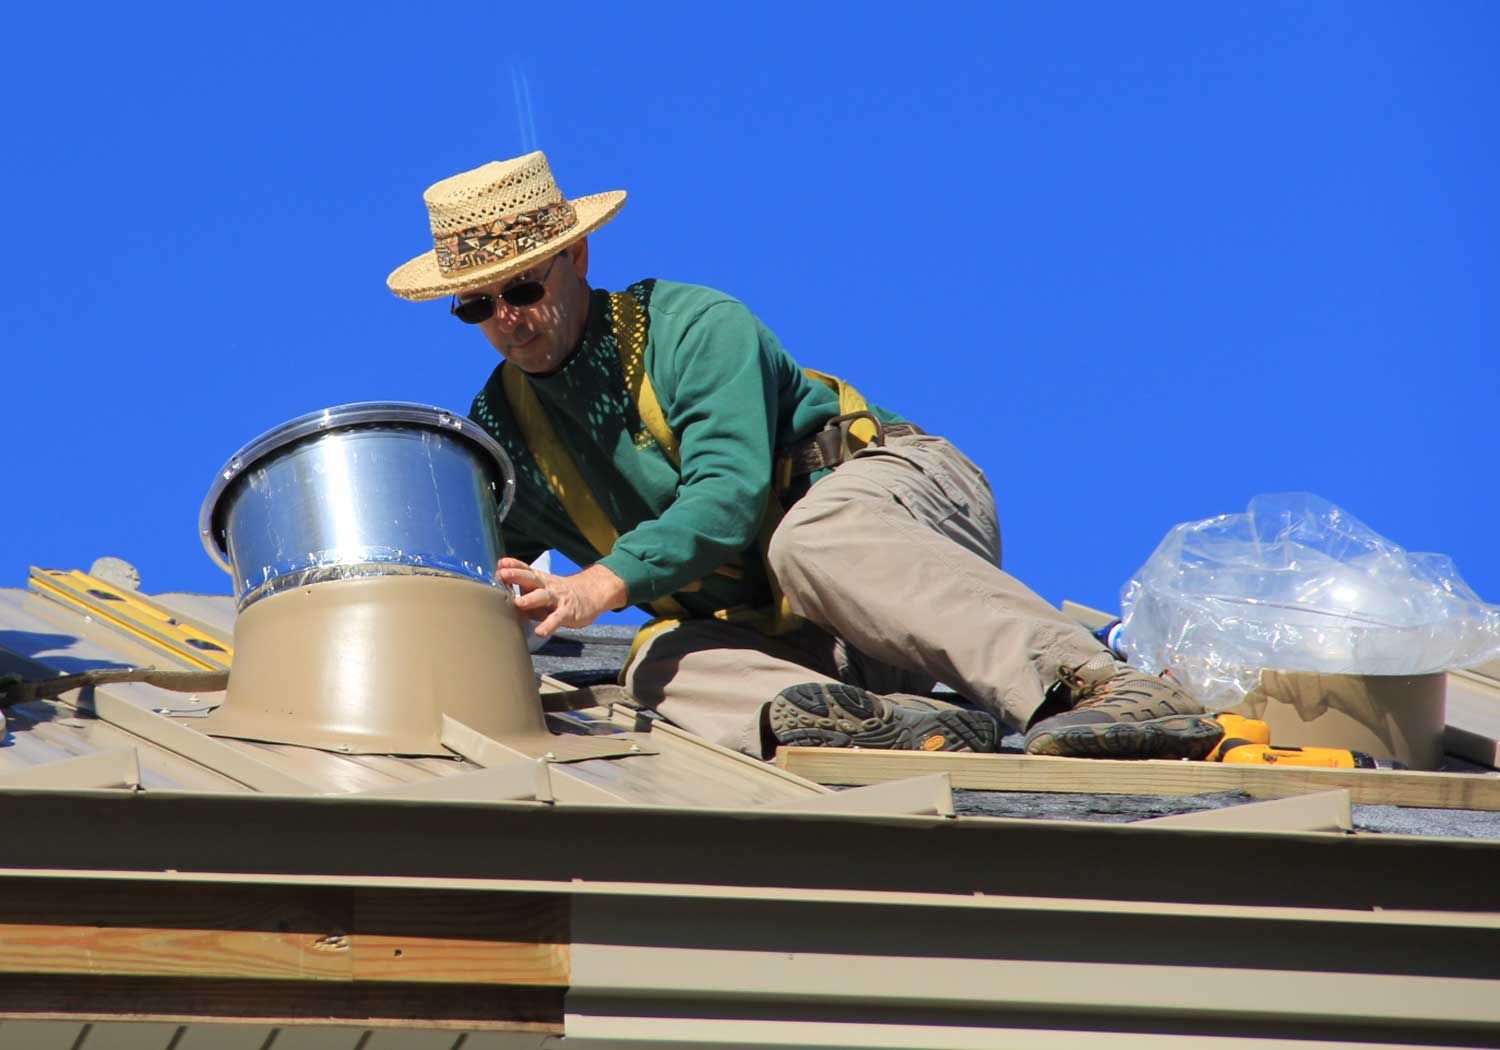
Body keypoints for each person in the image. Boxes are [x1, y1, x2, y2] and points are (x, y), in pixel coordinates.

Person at [387, 152, 1217, 761]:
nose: (508, 319)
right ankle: (883, 727)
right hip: (806, 629)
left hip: (894, 512)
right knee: (653, 662)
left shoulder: (692, 326)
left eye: (524, 289)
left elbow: (727, 499)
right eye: (478, 307)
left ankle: (1097, 686)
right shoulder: (504, 421)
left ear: (577, 258)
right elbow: (474, 558)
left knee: (810, 537)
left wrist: (599, 584)